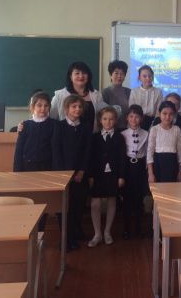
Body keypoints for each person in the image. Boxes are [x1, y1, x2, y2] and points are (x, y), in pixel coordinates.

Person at [52, 94, 92, 250]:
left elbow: (87, 151)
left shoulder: (86, 127)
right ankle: (66, 238)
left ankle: (75, 233)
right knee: (64, 207)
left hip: (80, 174)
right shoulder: (59, 126)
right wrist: (63, 175)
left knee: (78, 205)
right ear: (66, 108)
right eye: (74, 106)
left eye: (80, 106)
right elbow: (56, 151)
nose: (77, 109)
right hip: (63, 174)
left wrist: (82, 171)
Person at [87, 107, 126, 247]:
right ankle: (97, 233)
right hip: (98, 174)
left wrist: (121, 176)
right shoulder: (95, 137)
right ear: (100, 120)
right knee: (95, 203)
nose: (108, 122)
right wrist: (90, 175)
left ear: (115, 121)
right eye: (105, 119)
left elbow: (122, 158)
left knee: (111, 201)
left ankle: (107, 232)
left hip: (113, 174)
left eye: (111, 119)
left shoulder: (119, 137)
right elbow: (91, 158)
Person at [51, 61, 108, 133]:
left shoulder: (96, 95)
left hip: (92, 137)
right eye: (77, 73)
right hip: (67, 136)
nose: (81, 76)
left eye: (84, 73)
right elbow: (51, 118)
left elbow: (102, 117)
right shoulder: (59, 96)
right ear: (70, 77)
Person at [121, 105, 149, 238]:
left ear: (141, 118)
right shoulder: (122, 134)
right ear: (127, 118)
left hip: (140, 168)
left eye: (137, 116)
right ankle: (126, 229)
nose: (134, 119)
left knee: (139, 199)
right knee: (126, 199)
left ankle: (138, 228)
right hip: (127, 168)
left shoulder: (146, 134)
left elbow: (148, 153)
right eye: (131, 116)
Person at [14, 91, 55, 173]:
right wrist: (17, 170)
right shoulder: (25, 125)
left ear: (49, 107)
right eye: (39, 105)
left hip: (47, 167)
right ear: (32, 107)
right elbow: (19, 150)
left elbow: (56, 150)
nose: (43, 109)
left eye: (46, 105)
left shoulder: (54, 124)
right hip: (28, 167)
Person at [147, 101, 181, 183]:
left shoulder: (177, 129)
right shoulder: (154, 129)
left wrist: (180, 171)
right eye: (164, 113)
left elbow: (180, 152)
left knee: (172, 189)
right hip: (158, 164)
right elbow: (150, 152)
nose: (167, 117)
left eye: (171, 114)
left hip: (172, 165)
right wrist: (150, 173)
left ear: (174, 115)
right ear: (159, 114)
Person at [129, 65, 163, 130]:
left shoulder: (158, 92)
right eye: (144, 76)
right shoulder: (134, 91)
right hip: (137, 122)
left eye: (150, 76)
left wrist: (153, 126)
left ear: (153, 77)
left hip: (153, 122)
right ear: (139, 78)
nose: (148, 78)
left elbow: (159, 111)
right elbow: (132, 110)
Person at [102, 60, 131, 130]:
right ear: (111, 75)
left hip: (127, 128)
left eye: (122, 73)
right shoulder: (105, 92)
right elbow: (103, 114)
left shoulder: (129, 92)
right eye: (116, 73)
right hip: (110, 129)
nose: (119, 76)